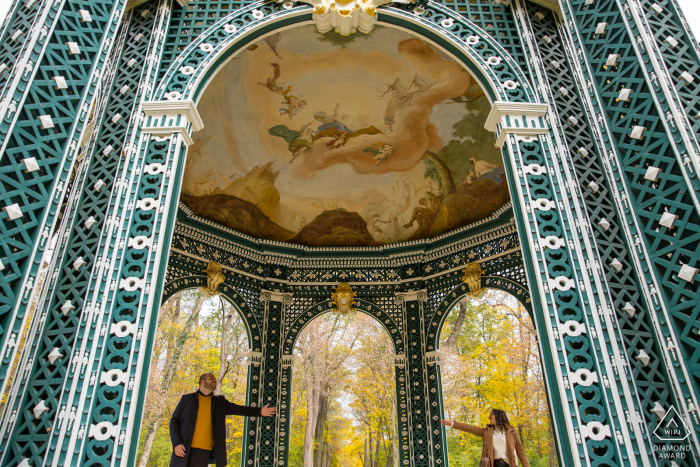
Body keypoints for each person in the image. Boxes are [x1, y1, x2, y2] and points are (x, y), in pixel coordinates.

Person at [169, 373, 277, 467]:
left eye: (215, 379)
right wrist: (176, 443)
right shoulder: (186, 399)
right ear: (202, 382)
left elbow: (238, 409)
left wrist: (260, 411)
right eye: (211, 378)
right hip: (182, 450)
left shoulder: (219, 402)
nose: (214, 380)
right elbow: (174, 422)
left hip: (203, 452)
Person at [441, 409, 530, 467]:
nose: (489, 417)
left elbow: (521, 452)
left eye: (492, 414)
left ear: (499, 416)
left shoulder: (512, 432)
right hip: (494, 464)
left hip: (509, 464)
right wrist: (452, 424)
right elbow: (471, 428)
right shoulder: (487, 432)